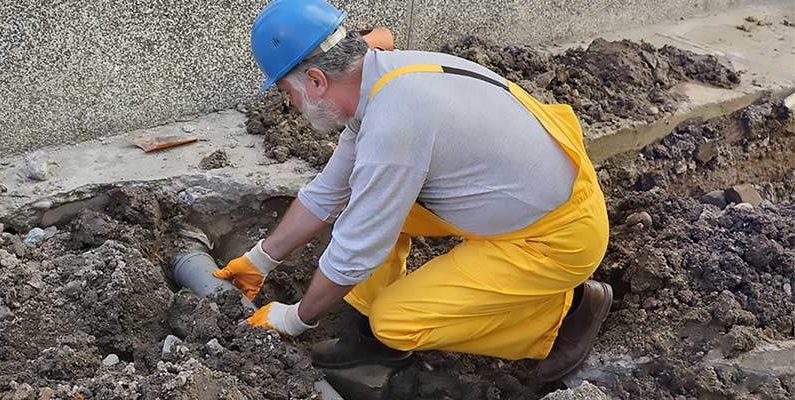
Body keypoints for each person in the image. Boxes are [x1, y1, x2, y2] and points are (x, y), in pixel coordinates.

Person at [213, 0, 613, 382]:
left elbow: (354, 251)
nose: (292, 105)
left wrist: (296, 318)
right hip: (520, 197)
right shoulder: (377, 77)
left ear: (316, 80)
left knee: (396, 322)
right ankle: (365, 327)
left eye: (289, 95)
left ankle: (569, 311)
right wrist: (259, 261)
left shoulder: (394, 123)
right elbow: (327, 194)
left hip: (556, 238)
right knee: (367, 199)